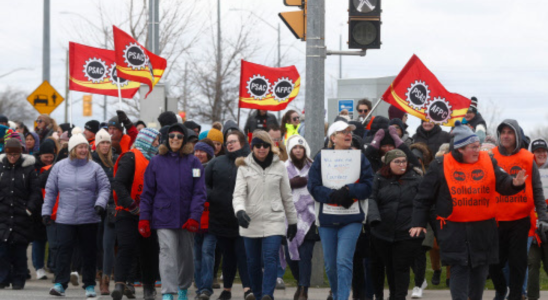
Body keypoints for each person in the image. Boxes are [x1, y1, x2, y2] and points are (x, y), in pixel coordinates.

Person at [410, 121, 528, 300]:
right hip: (453, 230)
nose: (477, 151)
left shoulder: (488, 161)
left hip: (482, 230)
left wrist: (514, 184)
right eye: (473, 147)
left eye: (478, 146)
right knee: (459, 268)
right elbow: (423, 197)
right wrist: (418, 222)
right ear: (459, 149)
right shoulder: (440, 164)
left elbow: (502, 182)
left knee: (480, 270)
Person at [139, 123, 207, 300]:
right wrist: (144, 218)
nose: (175, 139)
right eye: (171, 136)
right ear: (166, 139)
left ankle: (183, 288)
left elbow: (199, 193)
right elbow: (147, 193)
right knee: (167, 252)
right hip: (163, 216)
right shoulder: (156, 162)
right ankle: (168, 292)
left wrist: (194, 217)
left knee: (186, 256)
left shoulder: (194, 162)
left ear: (184, 140)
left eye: (178, 136)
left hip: (187, 218)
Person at [308, 121, 374, 300]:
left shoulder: (360, 158)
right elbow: (313, 187)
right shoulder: (321, 158)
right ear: (332, 138)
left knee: (343, 261)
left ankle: (343, 298)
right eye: (343, 131)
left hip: (351, 218)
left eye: (350, 131)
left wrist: (348, 191)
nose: (348, 134)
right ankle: (337, 294)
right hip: (327, 219)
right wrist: (332, 195)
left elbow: (368, 186)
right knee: (330, 265)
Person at [42, 133, 110, 298]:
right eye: (80, 147)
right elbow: (50, 191)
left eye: (86, 147)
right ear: (72, 149)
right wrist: (46, 211)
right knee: (63, 251)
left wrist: (100, 204)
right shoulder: (59, 167)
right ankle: (60, 284)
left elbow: (105, 187)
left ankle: (89, 285)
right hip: (65, 218)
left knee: (89, 252)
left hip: (89, 217)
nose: (83, 150)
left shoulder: (95, 167)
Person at [232, 130, 298, 300]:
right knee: (253, 262)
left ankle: (268, 294)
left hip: (273, 220)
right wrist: (239, 211)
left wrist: (292, 221)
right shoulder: (243, 166)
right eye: (257, 145)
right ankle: (258, 293)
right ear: (252, 147)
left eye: (265, 145)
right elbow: (238, 194)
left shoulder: (280, 166)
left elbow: (287, 195)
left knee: (270, 258)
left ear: (271, 147)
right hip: (250, 220)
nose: (261, 149)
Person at [489, 120, 548, 300]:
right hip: (496, 219)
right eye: (503, 132)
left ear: (517, 135)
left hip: (521, 219)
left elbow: (537, 189)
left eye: (510, 132)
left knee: (518, 263)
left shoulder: (527, 157)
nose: (505, 136)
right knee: (494, 263)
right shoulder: (490, 156)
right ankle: (500, 290)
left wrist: (543, 216)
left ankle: (515, 295)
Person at [111, 128, 161, 300]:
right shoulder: (130, 157)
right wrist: (131, 205)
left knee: (150, 251)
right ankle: (120, 284)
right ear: (147, 140)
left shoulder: (156, 161)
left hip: (150, 214)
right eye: (155, 140)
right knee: (126, 248)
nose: (157, 144)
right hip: (128, 212)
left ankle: (149, 288)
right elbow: (118, 183)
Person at [367, 149, 424, 300]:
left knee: (401, 267)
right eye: (397, 161)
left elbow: (424, 203)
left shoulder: (416, 179)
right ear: (388, 163)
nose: (401, 164)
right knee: (388, 267)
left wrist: (421, 223)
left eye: (404, 161)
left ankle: (399, 296)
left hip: (407, 232)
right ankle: (388, 295)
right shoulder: (378, 178)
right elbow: (371, 198)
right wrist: (374, 218)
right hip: (382, 231)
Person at [205, 130, 253, 300]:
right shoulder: (216, 163)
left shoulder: (250, 162)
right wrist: (213, 195)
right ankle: (227, 290)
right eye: (228, 142)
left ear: (242, 142)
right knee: (228, 256)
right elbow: (204, 184)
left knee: (243, 254)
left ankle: (248, 289)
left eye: (233, 141)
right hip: (221, 218)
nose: (230, 144)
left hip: (244, 219)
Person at [0, 139, 41, 290]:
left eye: (16, 154)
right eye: (10, 154)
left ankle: (19, 279)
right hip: (3, 215)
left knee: (19, 250)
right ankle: (2, 278)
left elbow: (35, 192)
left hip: (21, 215)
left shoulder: (28, 169)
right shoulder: (1, 168)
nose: (13, 157)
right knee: (2, 250)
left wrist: (29, 209)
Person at [284, 135, 317, 300]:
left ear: (305, 150)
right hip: (288, 217)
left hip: (309, 216)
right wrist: (290, 183)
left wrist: (305, 182)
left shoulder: (313, 167)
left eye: (301, 147)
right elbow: (277, 188)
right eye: (295, 147)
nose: (298, 150)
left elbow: (317, 187)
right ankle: (299, 282)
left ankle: (304, 289)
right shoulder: (283, 168)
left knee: (305, 255)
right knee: (291, 257)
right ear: (290, 150)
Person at [89, 129, 119, 296]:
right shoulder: (90, 161)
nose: (105, 145)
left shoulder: (116, 161)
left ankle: (105, 280)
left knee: (108, 245)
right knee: (96, 244)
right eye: (102, 143)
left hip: (111, 208)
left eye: (107, 142)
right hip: (93, 208)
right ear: (97, 145)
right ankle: (97, 272)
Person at [193, 139, 216, 300]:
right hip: (195, 220)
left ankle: (206, 288)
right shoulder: (191, 167)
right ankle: (199, 287)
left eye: (202, 151)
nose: (199, 154)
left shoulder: (215, 169)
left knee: (207, 252)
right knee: (196, 256)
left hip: (212, 219)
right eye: (197, 151)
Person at [527, 138, 548, 300]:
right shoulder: (526, 172)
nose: (541, 154)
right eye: (537, 151)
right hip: (530, 228)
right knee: (532, 264)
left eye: (543, 151)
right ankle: (532, 297)